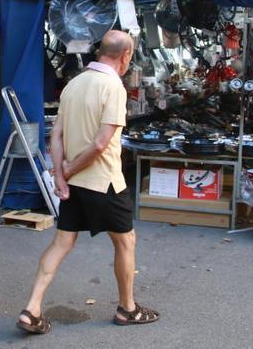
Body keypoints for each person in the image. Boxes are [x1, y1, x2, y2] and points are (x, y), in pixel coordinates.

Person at [16, 30, 159, 335]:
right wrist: (64, 172)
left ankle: (32, 308)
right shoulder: (113, 87)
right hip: (104, 181)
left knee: (62, 242)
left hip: (74, 182)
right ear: (126, 55)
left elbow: (56, 136)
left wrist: (60, 172)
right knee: (125, 241)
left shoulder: (73, 84)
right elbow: (99, 144)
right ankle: (127, 309)